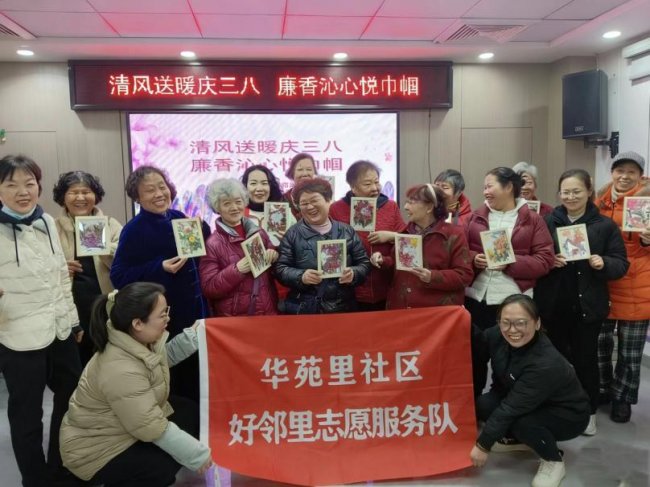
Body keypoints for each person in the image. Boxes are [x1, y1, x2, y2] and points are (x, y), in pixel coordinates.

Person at [60, 282, 213, 487]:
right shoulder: (120, 369)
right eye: (162, 314)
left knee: (188, 412)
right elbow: (150, 426)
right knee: (161, 468)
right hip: (94, 452)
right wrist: (197, 455)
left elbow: (161, 358)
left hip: (120, 427)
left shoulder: (134, 339)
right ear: (138, 323)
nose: (168, 318)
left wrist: (192, 337)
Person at [0, 154, 82, 487]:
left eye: (30, 183)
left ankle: (60, 467)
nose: (23, 192)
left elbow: (61, 275)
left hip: (59, 330)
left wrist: (73, 322)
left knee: (71, 399)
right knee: (27, 414)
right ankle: (35, 480)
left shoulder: (46, 221)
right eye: (11, 185)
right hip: (18, 336)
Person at [534, 169, 628, 436]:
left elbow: (621, 263)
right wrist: (548, 260)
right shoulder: (547, 221)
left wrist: (603, 262)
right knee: (554, 360)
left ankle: (588, 412)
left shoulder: (605, 226)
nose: (571, 197)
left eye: (576, 191)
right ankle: (558, 408)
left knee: (586, 361)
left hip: (588, 308)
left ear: (589, 191)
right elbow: (533, 255)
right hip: (553, 306)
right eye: (565, 192)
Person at [110, 165, 209, 402]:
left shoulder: (178, 217)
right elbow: (119, 275)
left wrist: (202, 229)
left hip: (197, 313)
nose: (159, 194)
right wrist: (159, 267)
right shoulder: (134, 230)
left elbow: (196, 257)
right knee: (176, 382)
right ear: (137, 197)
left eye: (162, 187)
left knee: (201, 377)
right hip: (166, 320)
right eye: (149, 190)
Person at [470, 294, 590, 487]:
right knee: (484, 405)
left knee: (523, 422)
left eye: (521, 323)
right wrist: (461, 321)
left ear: (537, 323)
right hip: (527, 400)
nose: (512, 330)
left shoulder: (545, 363)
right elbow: (476, 343)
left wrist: (483, 445)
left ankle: (553, 460)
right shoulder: (497, 335)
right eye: (506, 322)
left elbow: (511, 408)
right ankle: (519, 441)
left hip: (568, 414)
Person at [465, 167, 554, 397]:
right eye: (484, 187)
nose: (485, 192)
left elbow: (545, 260)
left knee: (507, 361)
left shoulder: (533, 220)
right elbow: (458, 252)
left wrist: (510, 264)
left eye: (489, 186)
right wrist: (473, 258)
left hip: (513, 300)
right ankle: (473, 405)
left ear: (509, 187)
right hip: (477, 297)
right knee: (474, 357)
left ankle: (505, 406)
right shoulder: (475, 217)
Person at [594, 150, 650, 423]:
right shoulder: (599, 201)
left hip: (637, 285)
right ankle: (603, 388)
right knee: (600, 343)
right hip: (603, 281)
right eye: (620, 170)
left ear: (640, 175)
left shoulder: (647, 203)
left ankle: (623, 398)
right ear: (612, 172)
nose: (624, 176)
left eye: (631, 172)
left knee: (630, 350)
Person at [53, 170, 123, 365]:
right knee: (75, 363)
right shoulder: (52, 227)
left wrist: (103, 249)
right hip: (69, 307)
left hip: (105, 305)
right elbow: (40, 264)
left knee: (107, 359)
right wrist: (59, 268)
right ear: (63, 197)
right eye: (73, 192)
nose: (80, 197)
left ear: (95, 196)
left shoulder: (111, 224)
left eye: (86, 192)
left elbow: (126, 259)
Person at [275, 178, 370, 314]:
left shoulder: (347, 231)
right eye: (304, 203)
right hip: (306, 309)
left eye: (314, 200)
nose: (309, 207)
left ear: (328, 200)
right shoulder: (292, 234)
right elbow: (280, 269)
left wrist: (353, 274)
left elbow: (364, 263)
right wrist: (301, 276)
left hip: (343, 307)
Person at [375, 184, 473, 309]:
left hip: (434, 312)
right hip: (401, 309)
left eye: (411, 202)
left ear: (429, 207)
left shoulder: (453, 235)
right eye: (406, 202)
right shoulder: (406, 232)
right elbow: (399, 266)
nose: (405, 207)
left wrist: (432, 277)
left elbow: (464, 276)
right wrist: (383, 261)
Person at [329, 160, 405, 310]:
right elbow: (331, 246)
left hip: (385, 285)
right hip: (350, 289)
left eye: (376, 182)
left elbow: (406, 240)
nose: (375, 188)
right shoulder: (336, 209)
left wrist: (390, 236)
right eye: (367, 184)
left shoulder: (390, 206)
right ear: (353, 187)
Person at [200, 178, 279, 316]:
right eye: (227, 203)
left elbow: (274, 266)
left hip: (268, 311)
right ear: (217, 208)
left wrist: (274, 254)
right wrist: (237, 270)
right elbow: (209, 288)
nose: (234, 207)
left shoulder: (259, 232)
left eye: (238, 201)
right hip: (236, 318)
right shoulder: (212, 244)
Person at [283, 152, 317, 218]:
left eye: (309, 169)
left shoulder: (323, 197)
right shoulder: (284, 199)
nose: (305, 174)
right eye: (300, 170)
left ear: (314, 172)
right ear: (292, 173)